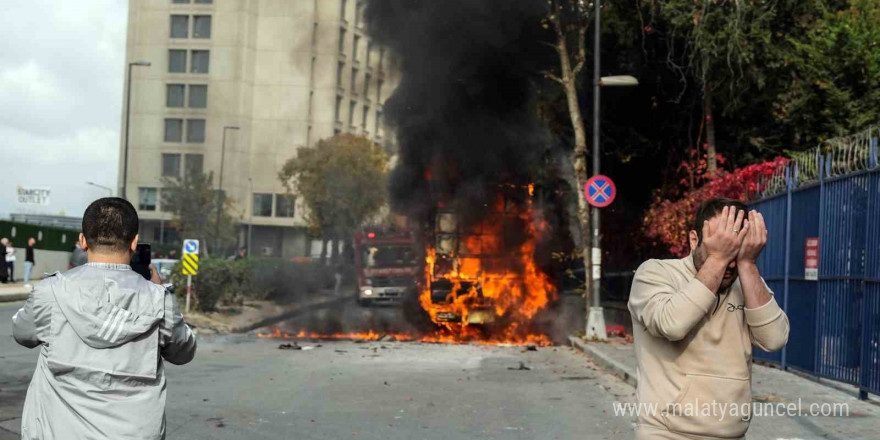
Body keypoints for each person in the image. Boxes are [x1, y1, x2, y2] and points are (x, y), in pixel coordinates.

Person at [12, 197, 197, 440]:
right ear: (134, 243)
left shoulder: (51, 292)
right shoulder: (159, 300)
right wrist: (163, 296)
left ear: (82, 241)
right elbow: (184, 352)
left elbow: (22, 333)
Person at [628, 198, 789, 439]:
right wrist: (718, 259)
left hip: (732, 434)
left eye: (736, 248)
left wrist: (747, 264)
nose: (729, 261)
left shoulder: (746, 280)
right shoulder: (655, 273)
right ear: (694, 240)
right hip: (666, 433)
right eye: (720, 246)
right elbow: (672, 324)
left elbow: (775, 339)